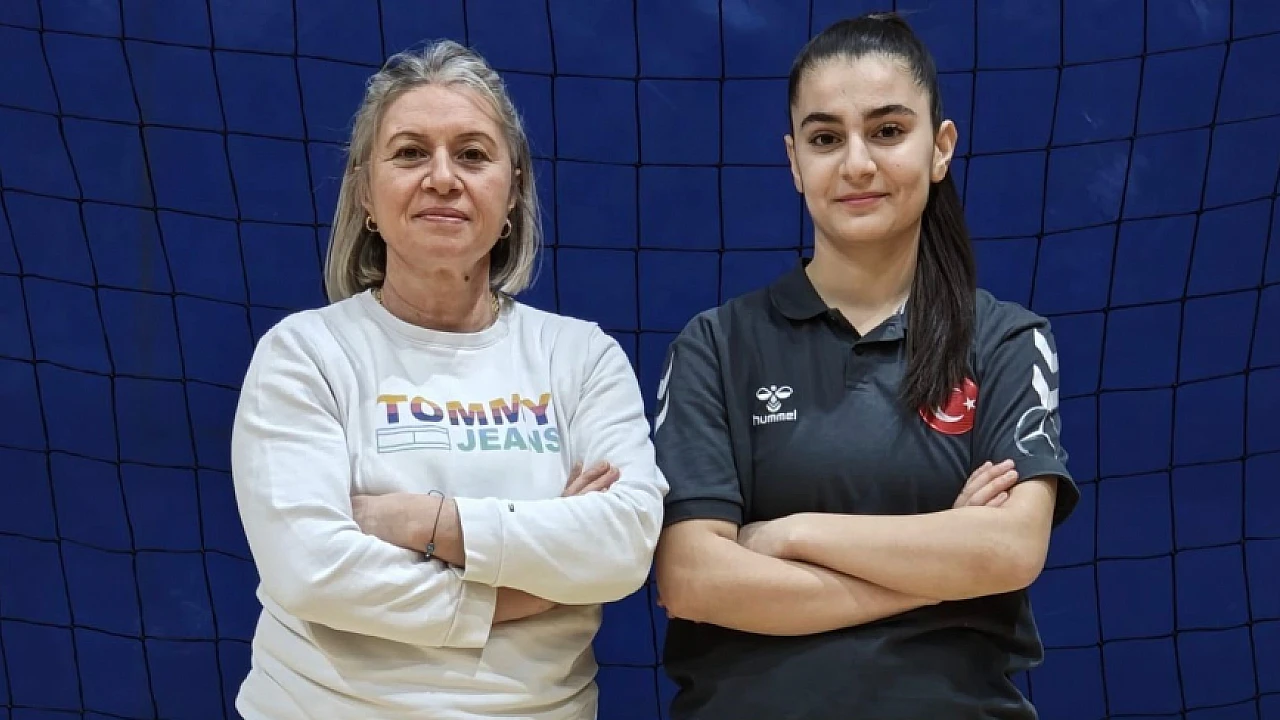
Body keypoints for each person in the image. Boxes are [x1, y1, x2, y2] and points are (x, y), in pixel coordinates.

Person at [652, 12, 1080, 720]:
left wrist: (791, 533)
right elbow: (693, 579)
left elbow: (1009, 549)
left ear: (940, 148)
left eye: (887, 131)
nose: (856, 164)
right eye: (825, 139)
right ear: (795, 162)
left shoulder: (1006, 340)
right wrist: (944, 562)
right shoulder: (715, 346)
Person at [229, 39, 667, 720]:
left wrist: (423, 521)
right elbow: (314, 570)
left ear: (513, 190)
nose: (442, 177)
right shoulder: (304, 355)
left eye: (472, 154)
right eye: (409, 153)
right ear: (365, 192)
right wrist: (527, 583)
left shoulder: (581, 357)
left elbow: (622, 544)